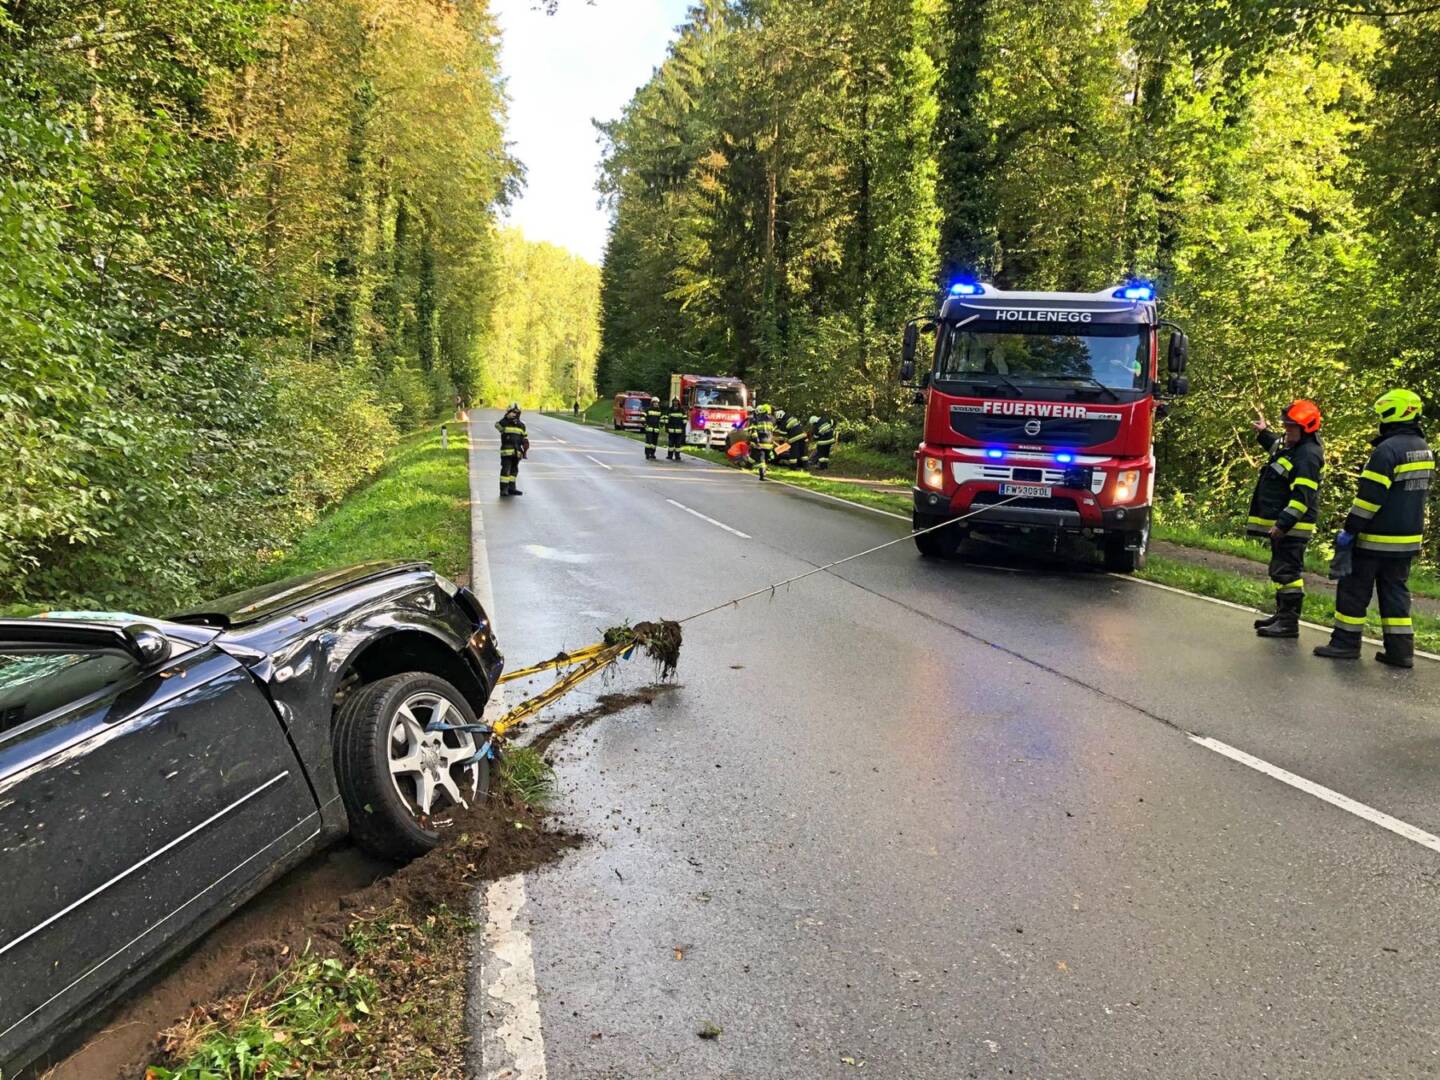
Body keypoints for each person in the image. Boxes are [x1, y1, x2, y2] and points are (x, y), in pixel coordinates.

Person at [1315, 388, 1434, 667]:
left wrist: (1350, 530)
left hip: (1375, 538)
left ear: (1390, 414)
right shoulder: (1423, 449)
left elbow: (1369, 499)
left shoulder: (1386, 451)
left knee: (1354, 590)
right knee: (1395, 594)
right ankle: (1400, 652)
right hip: (1407, 540)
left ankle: (1345, 644)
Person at [1247, 400, 1324, 639]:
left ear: (1306, 429)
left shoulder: (1308, 457)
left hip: (1293, 527)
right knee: (1280, 570)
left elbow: (1302, 498)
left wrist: (1282, 525)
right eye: (1285, 426)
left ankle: (1289, 623)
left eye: (1291, 427)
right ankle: (1282, 615)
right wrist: (1263, 433)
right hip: (1286, 526)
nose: (1286, 431)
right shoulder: (1294, 448)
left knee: (1287, 573)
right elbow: (1277, 452)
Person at [495, 403, 529, 496]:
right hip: (506, 452)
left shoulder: (521, 425)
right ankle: (504, 490)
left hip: (517, 452)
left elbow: (524, 437)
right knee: (506, 470)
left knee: (514, 471)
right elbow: (497, 426)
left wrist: (525, 444)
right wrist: (506, 418)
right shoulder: (504, 423)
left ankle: (511, 488)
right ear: (509, 412)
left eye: (517, 412)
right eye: (513, 412)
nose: (515, 414)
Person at [751, 404, 776, 481]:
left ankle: (762, 475)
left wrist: (756, 441)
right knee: (766, 459)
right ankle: (764, 472)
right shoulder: (772, 419)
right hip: (769, 443)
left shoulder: (756, 420)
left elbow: (754, 432)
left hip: (760, 443)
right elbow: (772, 431)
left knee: (761, 460)